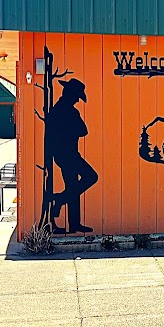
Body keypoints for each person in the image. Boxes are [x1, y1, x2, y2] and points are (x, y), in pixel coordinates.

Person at [45, 78, 98, 233]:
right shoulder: (69, 111)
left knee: (73, 186)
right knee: (91, 177)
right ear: (70, 94)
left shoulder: (57, 109)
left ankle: (74, 223)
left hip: (62, 154)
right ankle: (60, 200)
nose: (77, 100)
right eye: (76, 96)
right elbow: (83, 130)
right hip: (68, 154)